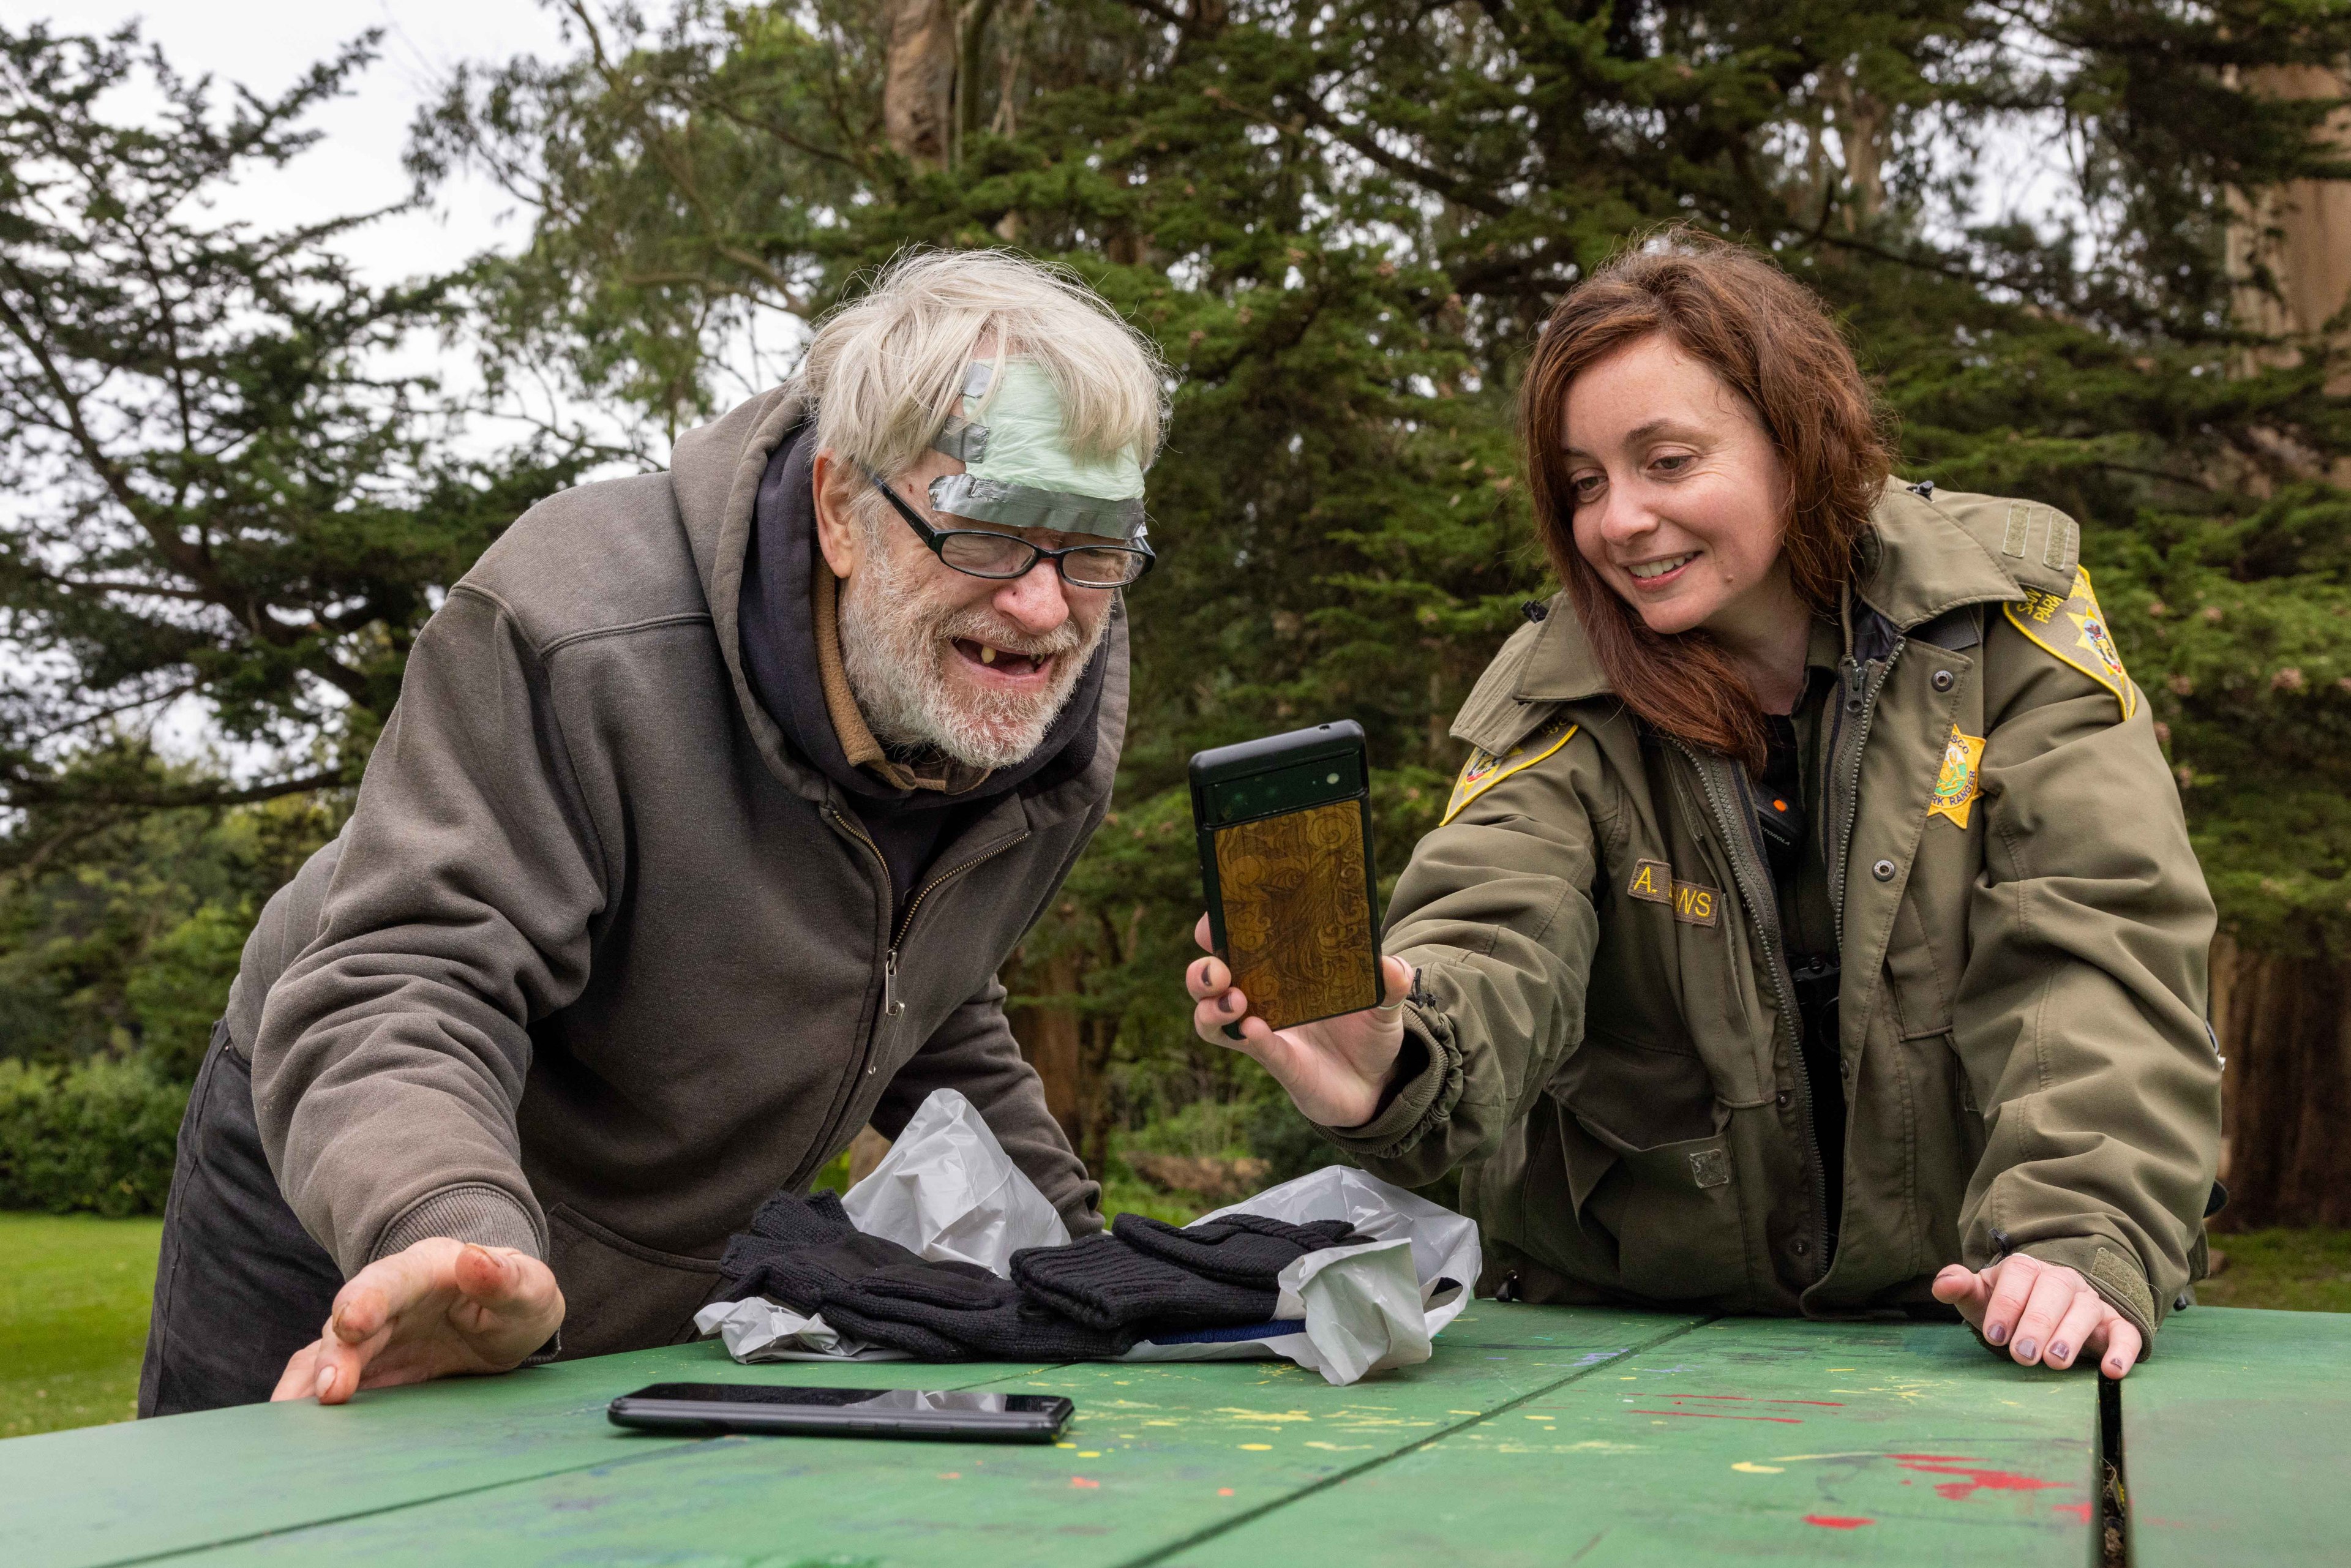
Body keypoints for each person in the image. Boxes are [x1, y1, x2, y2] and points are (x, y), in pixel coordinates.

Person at [140, 249, 1167, 1415]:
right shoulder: (573, 627)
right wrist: (454, 1232)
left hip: (666, 1262)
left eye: (1093, 547)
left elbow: (921, 987)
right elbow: (406, 978)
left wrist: (1093, 1270)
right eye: (983, 531)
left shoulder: (1042, 718)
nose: (1041, 610)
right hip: (359, 1169)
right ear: (841, 507)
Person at [1185, 232, 2221, 1379]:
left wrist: (2079, 1230)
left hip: (1976, 1322)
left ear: (1799, 442)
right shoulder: (1559, 694)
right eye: (1585, 483)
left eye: (1667, 462)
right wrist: (1398, 1051)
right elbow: (1494, 918)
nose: (1617, 520)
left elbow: (2095, 938)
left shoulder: (2007, 624)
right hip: (1622, 1342)